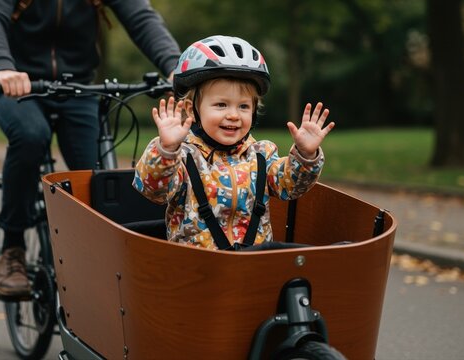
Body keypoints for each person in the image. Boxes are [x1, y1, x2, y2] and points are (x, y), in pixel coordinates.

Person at [0, 0, 181, 298]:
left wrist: (176, 66)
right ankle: (12, 249)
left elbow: (141, 18)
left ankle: (102, 265)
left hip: (78, 87)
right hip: (16, 84)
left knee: (96, 179)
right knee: (31, 137)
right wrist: (2, 67)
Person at [133, 35, 335, 250]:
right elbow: (154, 190)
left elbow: (291, 186)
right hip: (196, 267)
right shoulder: (183, 156)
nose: (233, 115)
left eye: (244, 107)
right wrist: (166, 150)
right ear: (192, 109)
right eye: (221, 105)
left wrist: (306, 155)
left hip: (253, 264)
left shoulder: (262, 154)